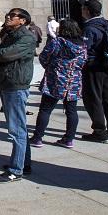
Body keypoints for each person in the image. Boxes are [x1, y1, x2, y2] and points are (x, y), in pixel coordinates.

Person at [0, 8, 38, 183]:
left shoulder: (26, 37)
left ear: (23, 20)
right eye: (8, 15)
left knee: (16, 129)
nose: (8, 17)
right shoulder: (12, 34)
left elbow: (3, 53)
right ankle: (24, 163)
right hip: (7, 82)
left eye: (13, 15)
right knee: (19, 127)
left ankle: (16, 170)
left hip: (16, 84)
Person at [30, 19, 85, 148]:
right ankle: (69, 139)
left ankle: (38, 138)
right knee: (71, 110)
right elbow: (84, 61)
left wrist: (51, 67)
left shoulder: (57, 43)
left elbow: (44, 57)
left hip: (55, 80)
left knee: (45, 109)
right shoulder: (82, 45)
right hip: (74, 81)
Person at [79, 0, 108, 143]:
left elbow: (84, 49)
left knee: (93, 99)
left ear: (87, 11)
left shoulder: (90, 28)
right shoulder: (106, 24)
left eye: (83, 8)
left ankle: (99, 131)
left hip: (94, 67)